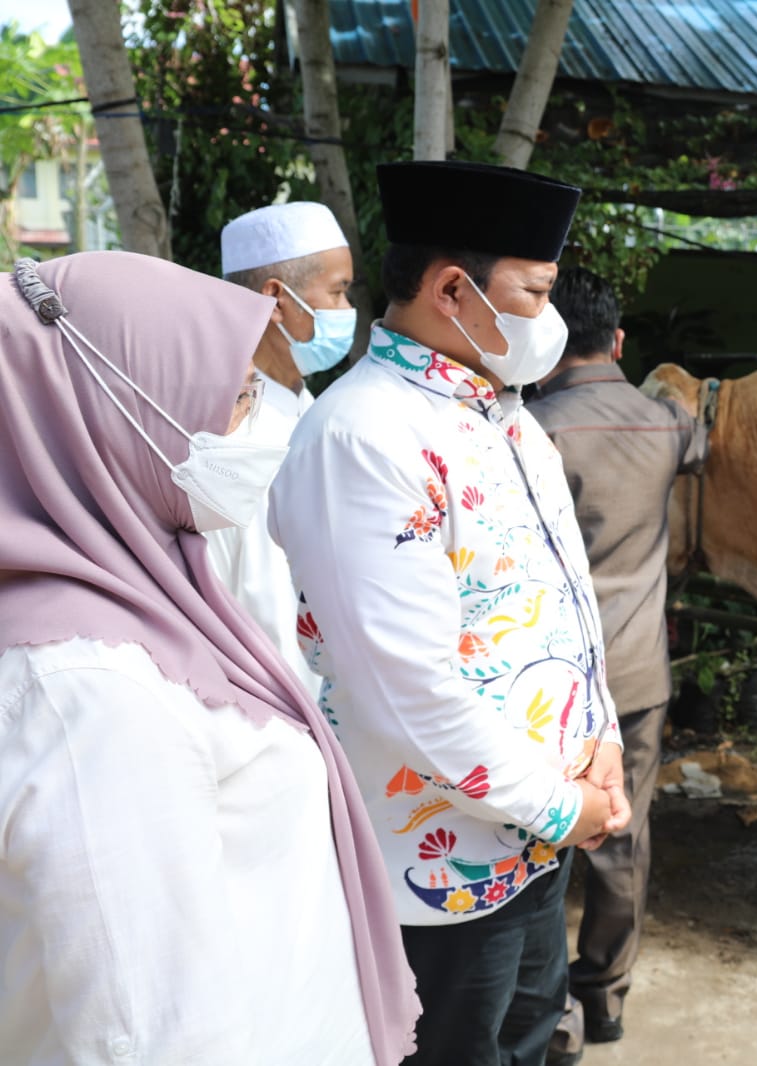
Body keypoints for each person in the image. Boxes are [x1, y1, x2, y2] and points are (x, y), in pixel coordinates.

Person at [0, 251, 419, 1064]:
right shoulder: (88, 690)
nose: (247, 424)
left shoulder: (145, 597)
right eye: (232, 400)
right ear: (113, 418)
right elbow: (148, 1035)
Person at [269, 160, 629, 1066]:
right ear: (451, 289)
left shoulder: (505, 417)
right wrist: (560, 803)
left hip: (536, 837)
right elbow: (406, 689)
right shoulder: (364, 435)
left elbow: (566, 603)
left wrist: (605, 737)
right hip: (439, 867)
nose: (547, 322)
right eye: (536, 293)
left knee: (531, 1037)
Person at [524, 267, 707, 1064]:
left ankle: (549, 1017)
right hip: (636, 677)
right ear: (619, 340)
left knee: (534, 841)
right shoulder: (665, 426)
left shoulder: (527, 428)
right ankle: (604, 1000)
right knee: (621, 837)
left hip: (543, 680)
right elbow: (700, 428)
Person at [213, 201, 356, 696]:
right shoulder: (232, 435)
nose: (347, 312)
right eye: (338, 292)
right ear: (276, 299)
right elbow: (263, 608)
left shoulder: (312, 409)